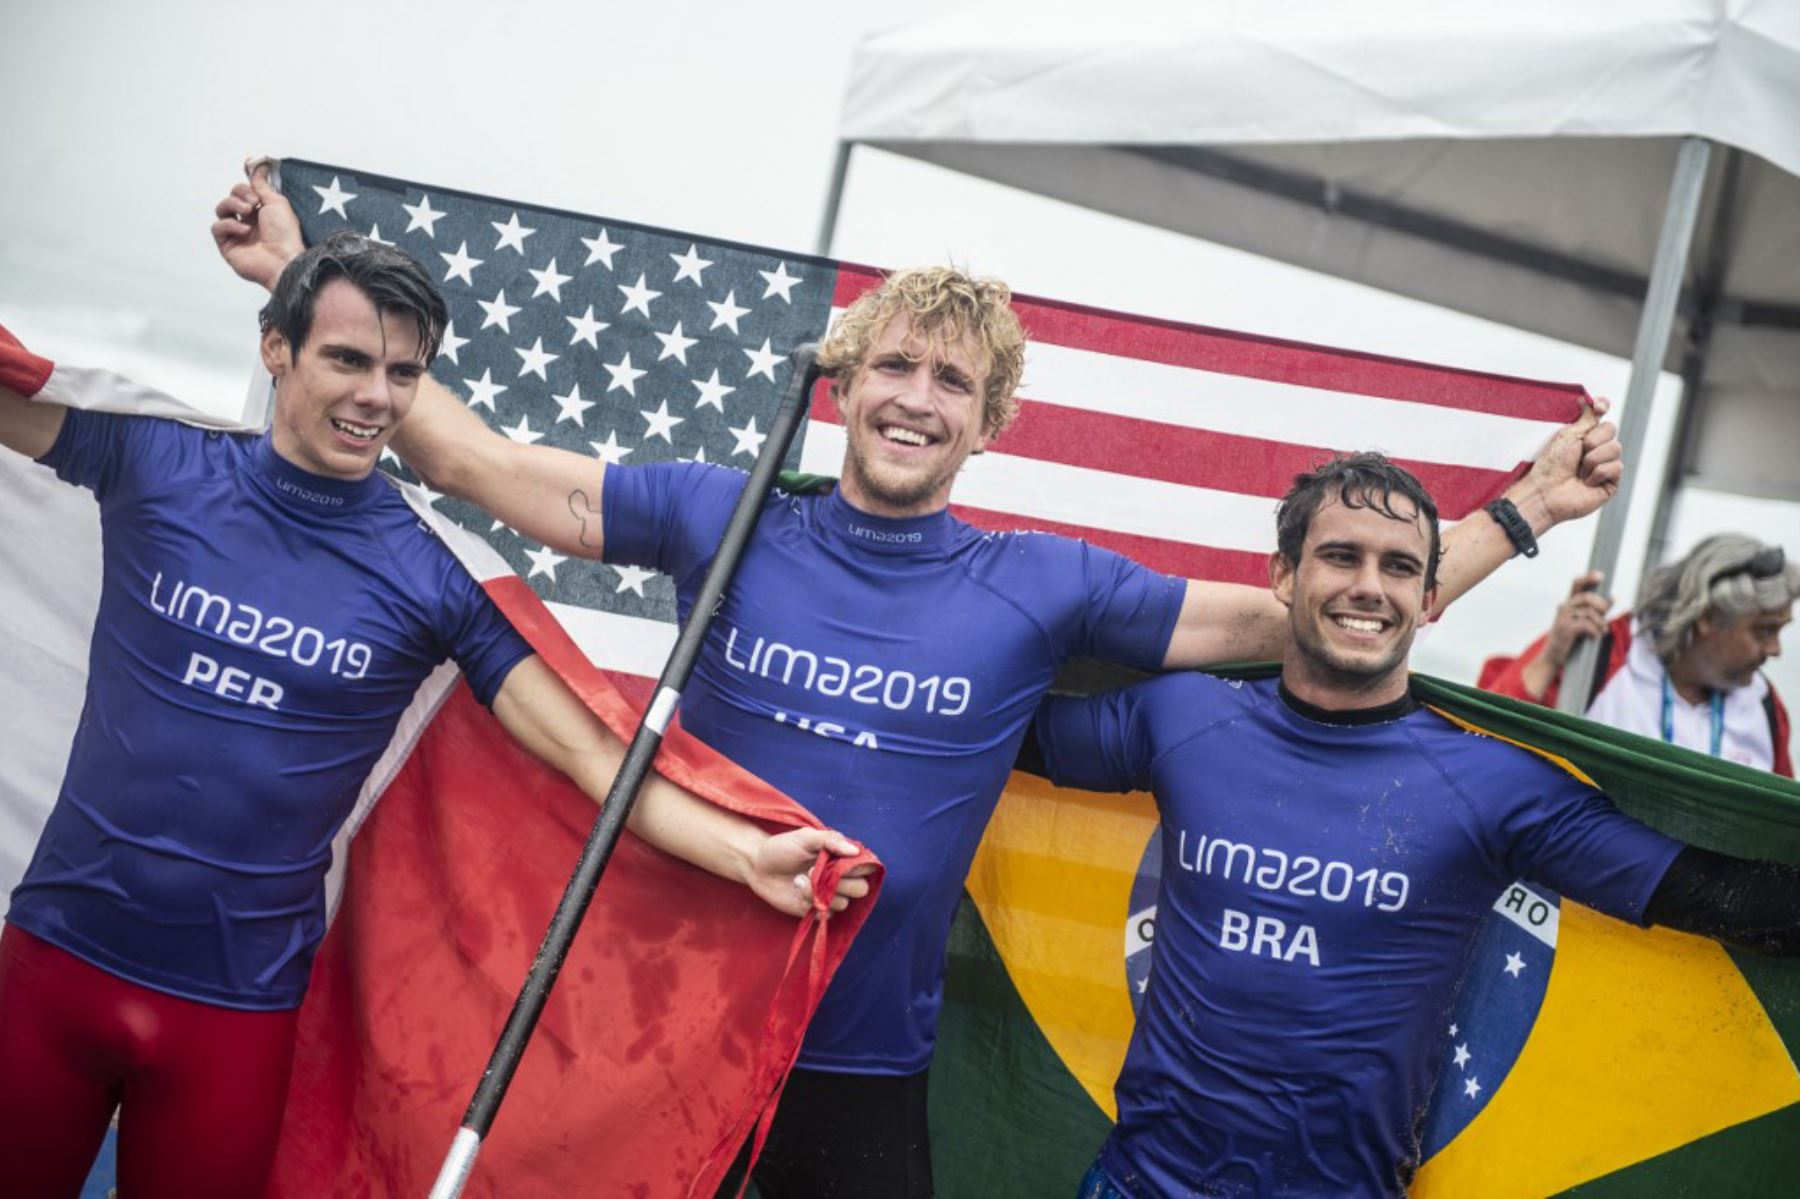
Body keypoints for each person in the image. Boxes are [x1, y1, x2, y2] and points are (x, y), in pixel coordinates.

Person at [212, 167, 1625, 1197]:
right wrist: (302, 265)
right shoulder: (731, 511)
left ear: (989, 419)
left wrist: (1528, 513)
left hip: (861, 1059)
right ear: (842, 385)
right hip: (655, 1021)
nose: (915, 396)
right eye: (894, 363)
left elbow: (1321, 616)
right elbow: (480, 466)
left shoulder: (1041, 581)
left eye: (953, 381)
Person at [0, 233, 870, 1199]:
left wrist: (748, 856)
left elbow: (591, 750)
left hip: (234, 1021)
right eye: (348, 360)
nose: (376, 395)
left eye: (403, 371)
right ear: (275, 347)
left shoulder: (429, 574)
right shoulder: (155, 458)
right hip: (49, 975)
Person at [1031, 455, 1800, 1198]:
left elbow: (1709, 892)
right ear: (1283, 576)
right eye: (1340, 556)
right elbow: (981, 729)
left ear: (1430, 597)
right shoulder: (1183, 717)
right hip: (1138, 1184)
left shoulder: (1492, 785)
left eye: (1399, 568)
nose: (1369, 587)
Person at [1481, 537, 1797, 776]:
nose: (1775, 650)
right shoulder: (1597, 650)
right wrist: (1551, 657)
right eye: (1763, 631)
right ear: (1708, 617)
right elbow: (1481, 744)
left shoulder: (1764, 703)